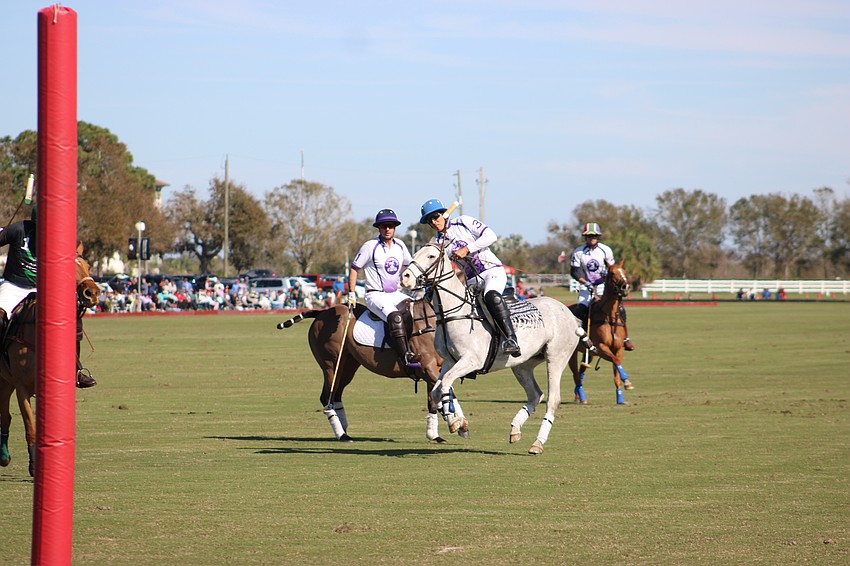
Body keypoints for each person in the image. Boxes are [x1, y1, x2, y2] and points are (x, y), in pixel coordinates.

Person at [0, 206, 97, 387]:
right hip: (14, 285)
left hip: (43, 288)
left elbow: (73, 263)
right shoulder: (19, 229)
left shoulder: (60, 238)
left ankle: (75, 371)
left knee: (73, 320)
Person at [418, 198, 521, 357]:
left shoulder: (463, 221)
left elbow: (491, 236)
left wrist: (468, 248)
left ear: (445, 214)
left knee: (491, 296)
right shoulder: (439, 242)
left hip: (491, 271)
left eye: (436, 216)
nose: (434, 222)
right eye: (430, 220)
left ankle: (511, 339)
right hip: (472, 280)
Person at [348, 209, 422, 367]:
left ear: (395, 227)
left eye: (390, 226)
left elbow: (411, 265)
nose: (387, 229)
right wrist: (351, 293)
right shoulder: (370, 246)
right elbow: (355, 268)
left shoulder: (400, 245)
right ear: (379, 228)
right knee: (395, 316)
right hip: (375, 295)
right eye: (384, 226)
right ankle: (405, 356)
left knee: (417, 311)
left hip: (396, 293)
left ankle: (419, 347)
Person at [570, 222, 635, 351]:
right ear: (585, 237)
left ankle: (626, 338)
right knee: (580, 311)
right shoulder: (578, 252)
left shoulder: (606, 250)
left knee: (619, 309)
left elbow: (613, 268)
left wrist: (607, 278)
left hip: (602, 286)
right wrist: (585, 282)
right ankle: (580, 340)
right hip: (585, 287)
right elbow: (574, 271)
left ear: (598, 237)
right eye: (589, 236)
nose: (592, 238)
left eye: (594, 235)